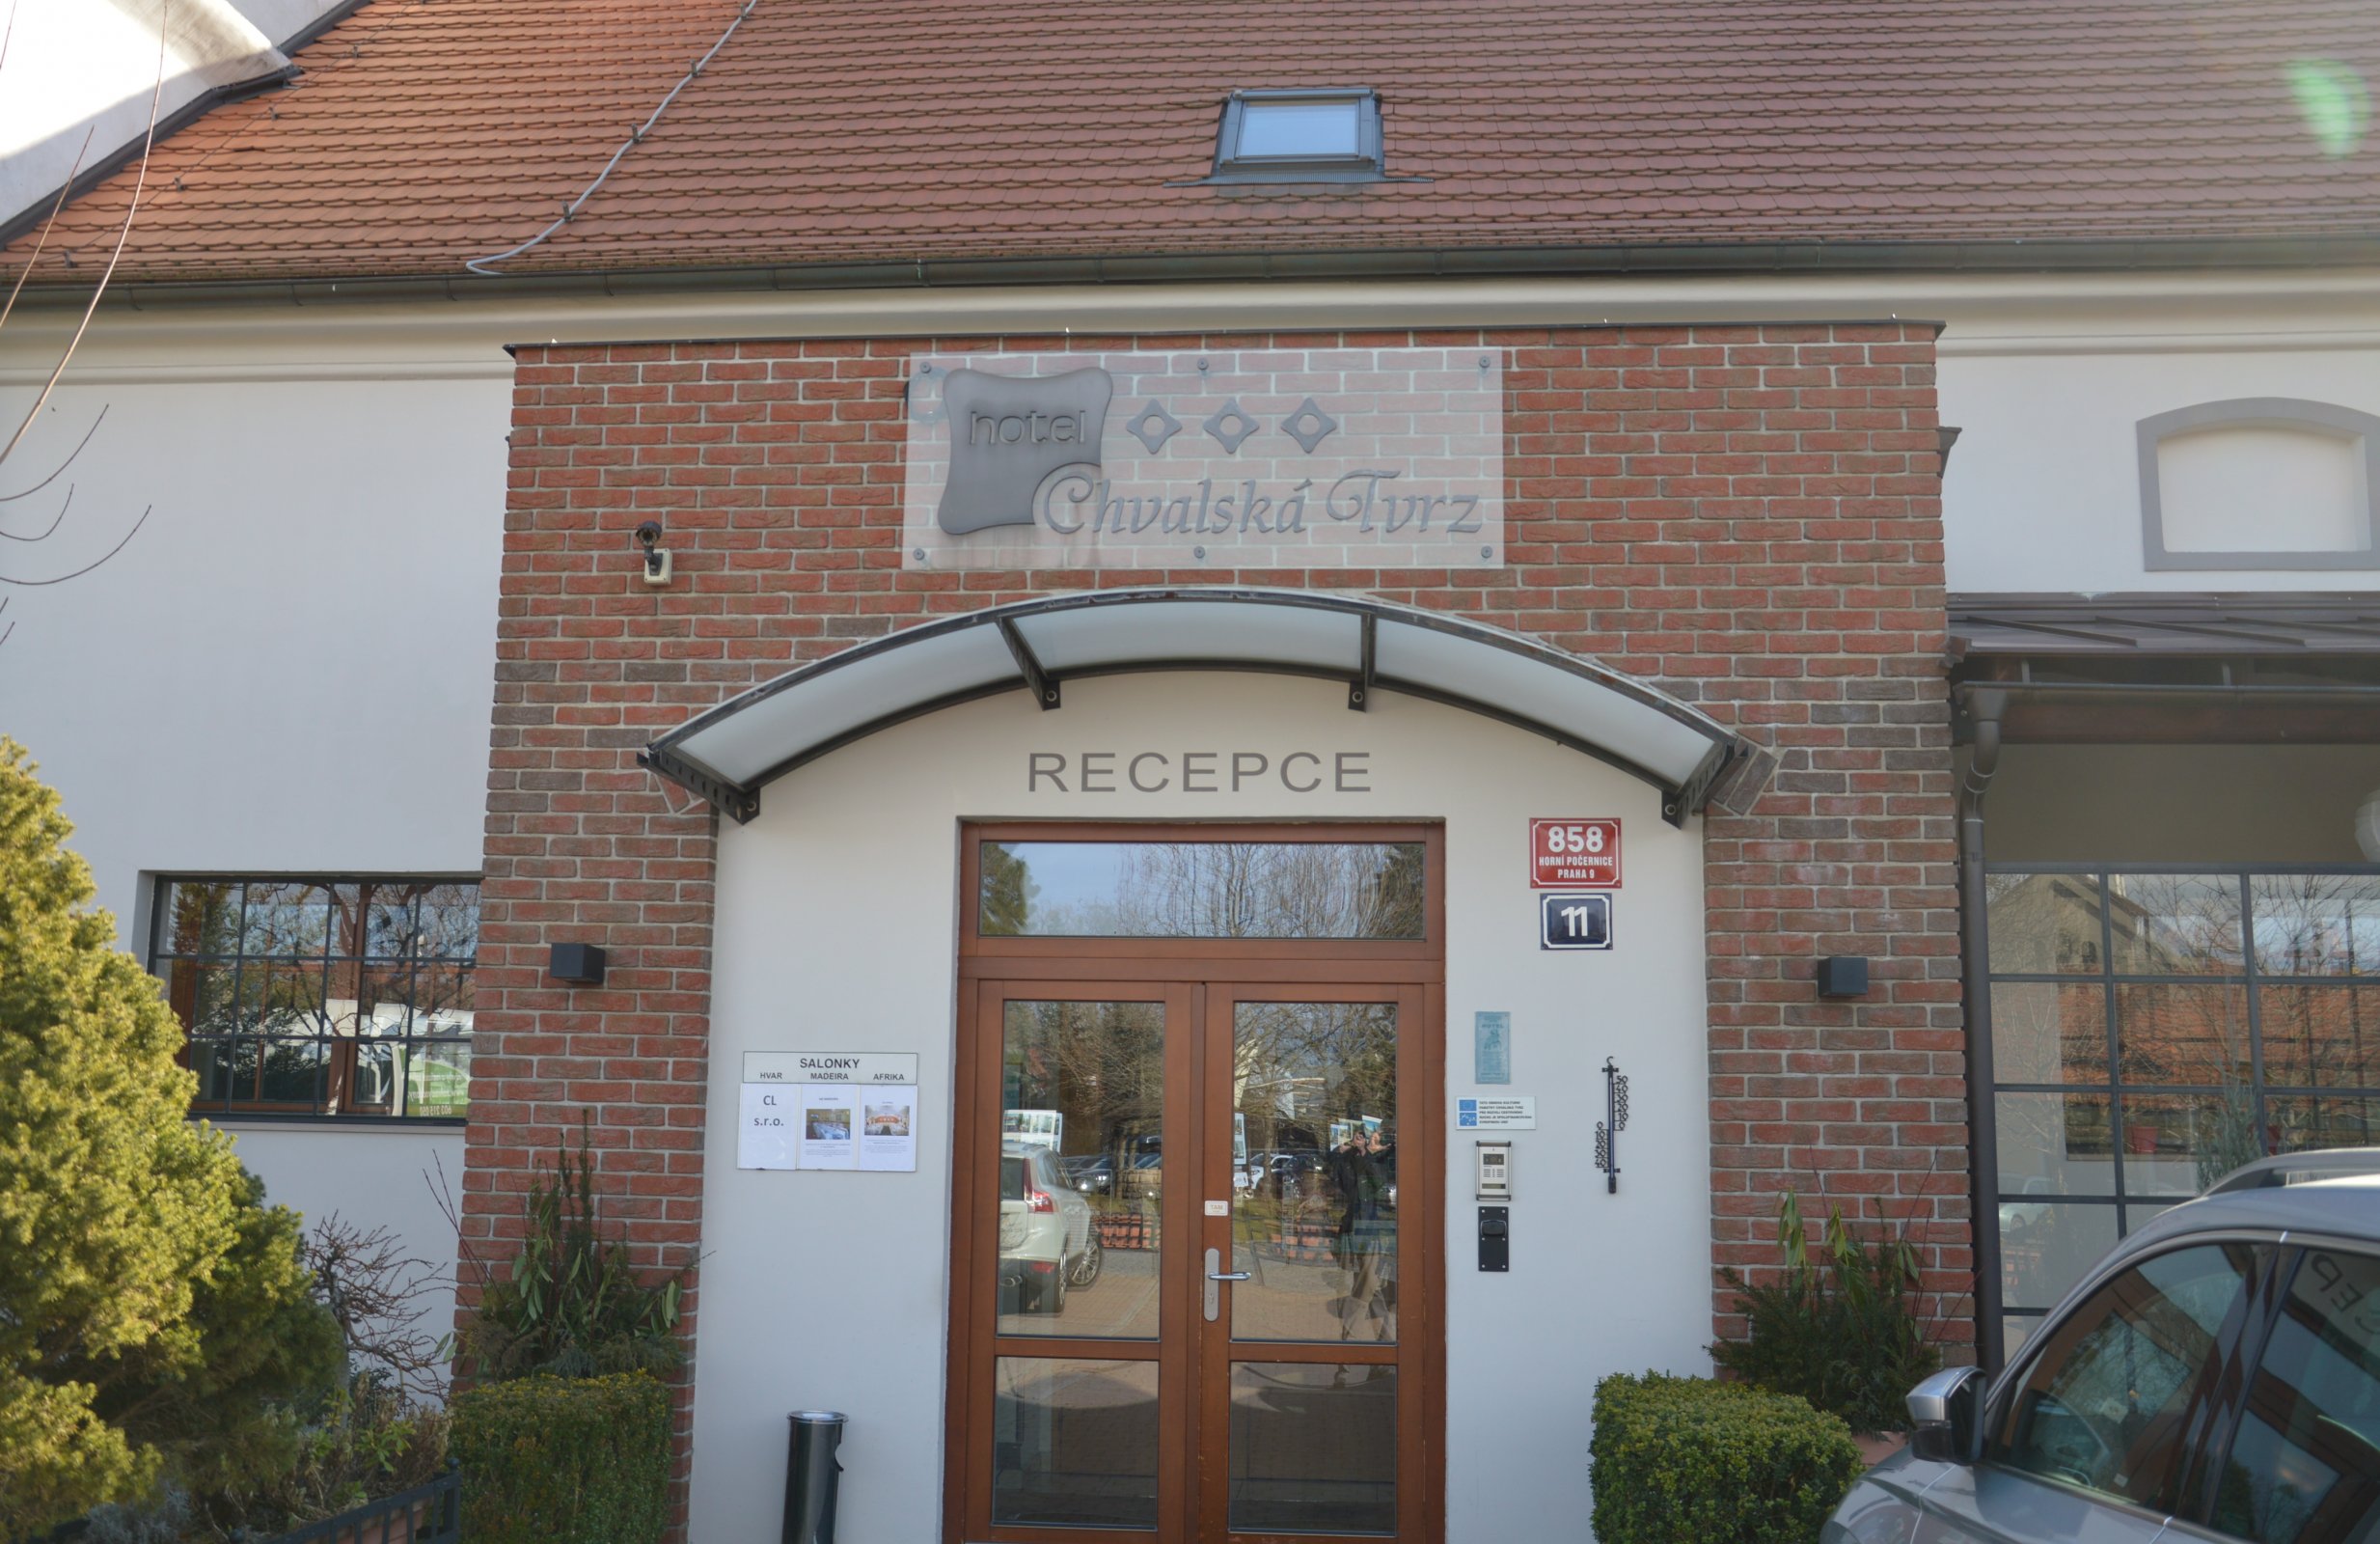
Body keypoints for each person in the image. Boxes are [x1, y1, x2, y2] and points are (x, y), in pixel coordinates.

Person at [1326, 1126, 1397, 1343]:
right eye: (1366, 1136)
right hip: (1354, 1229)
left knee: (1366, 1286)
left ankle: (1350, 1343)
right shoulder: (1350, 1159)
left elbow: (1378, 1183)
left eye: (1376, 1137)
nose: (1371, 1140)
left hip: (1376, 1232)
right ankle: (1385, 1344)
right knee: (1370, 1286)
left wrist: (1368, 1154)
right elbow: (1336, 1176)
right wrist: (1345, 1150)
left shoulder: (1388, 1158)